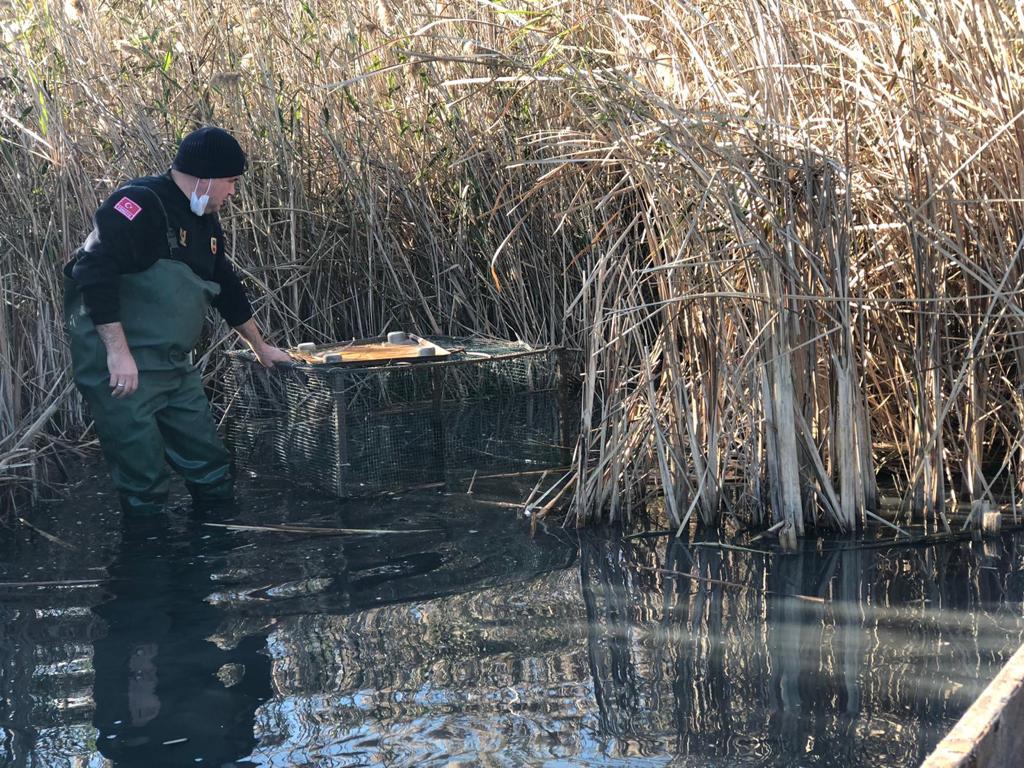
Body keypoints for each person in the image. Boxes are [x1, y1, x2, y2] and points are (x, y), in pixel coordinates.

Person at [63, 126, 292, 514]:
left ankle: (211, 558)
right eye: (231, 182)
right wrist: (118, 354)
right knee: (145, 483)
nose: (234, 192)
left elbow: (226, 286)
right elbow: (92, 271)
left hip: (173, 367)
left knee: (213, 468)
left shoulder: (204, 219)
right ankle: (148, 563)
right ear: (205, 175)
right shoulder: (137, 205)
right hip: (121, 370)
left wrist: (261, 346)